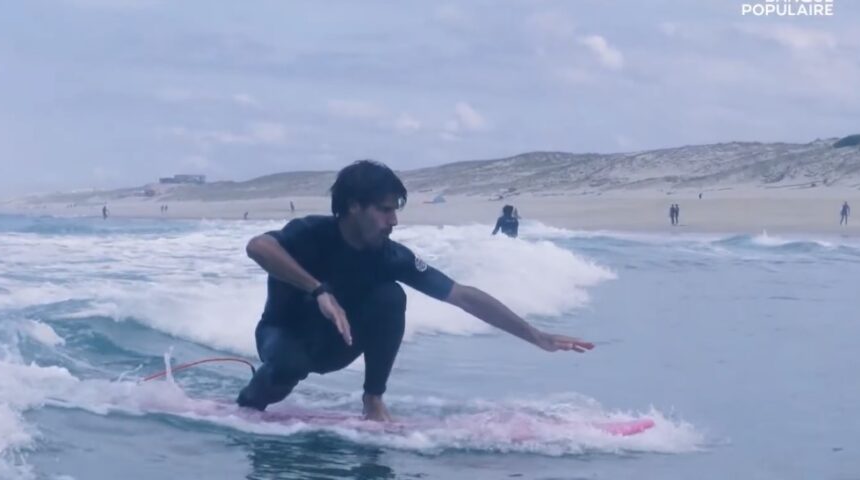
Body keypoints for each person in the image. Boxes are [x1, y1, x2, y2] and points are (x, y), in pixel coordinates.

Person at [236, 160, 593, 421]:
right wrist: (319, 290)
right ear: (353, 206)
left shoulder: (391, 257)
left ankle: (373, 399)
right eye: (384, 210)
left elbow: (463, 296)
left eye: (395, 210)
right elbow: (258, 247)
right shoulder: (309, 233)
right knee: (287, 366)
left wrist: (536, 335)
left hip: (336, 347)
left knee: (391, 296)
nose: (393, 220)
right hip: (283, 335)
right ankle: (248, 404)